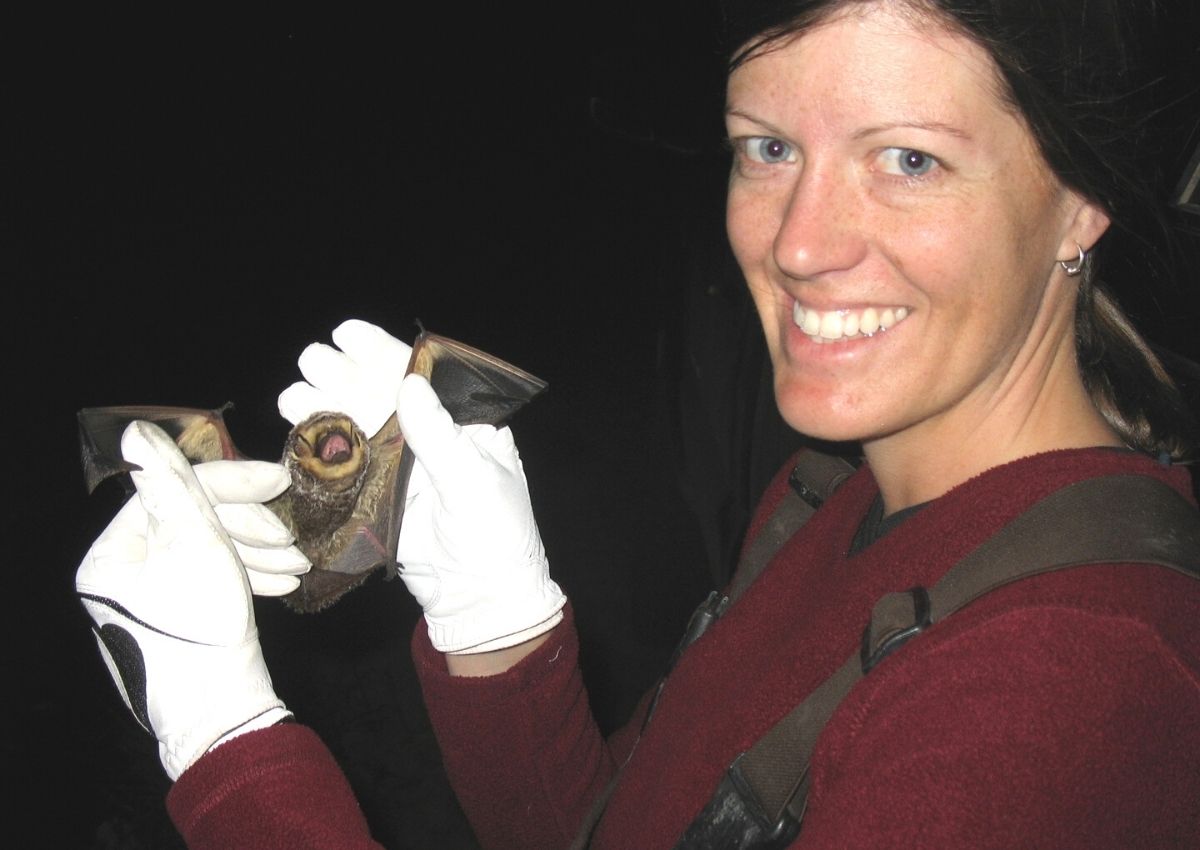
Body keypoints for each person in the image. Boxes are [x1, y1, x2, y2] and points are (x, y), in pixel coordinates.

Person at [77, 1, 1200, 848]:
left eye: (908, 158)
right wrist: (495, 619)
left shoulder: (1064, 688)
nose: (800, 242)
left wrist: (230, 750)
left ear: (1080, 197)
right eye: (767, 146)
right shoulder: (839, 494)